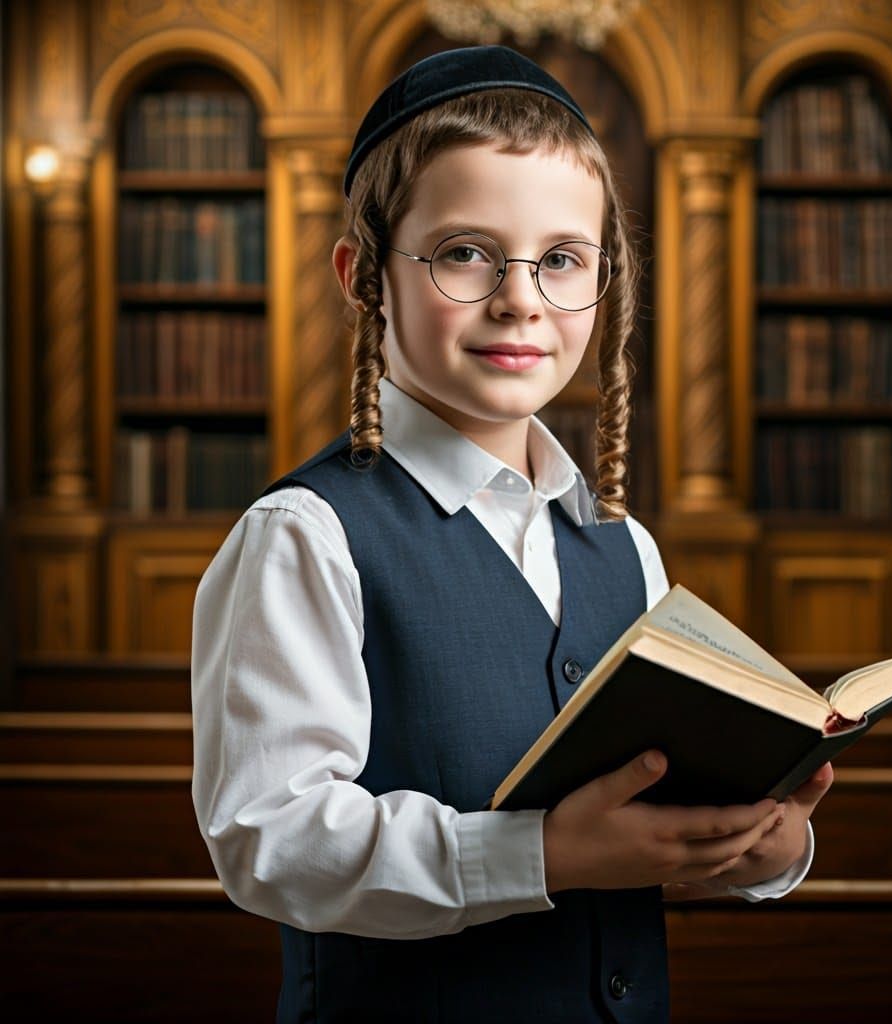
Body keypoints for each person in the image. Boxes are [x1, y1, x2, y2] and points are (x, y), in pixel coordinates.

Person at [191, 45, 833, 1023]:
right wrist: (541, 854)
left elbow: (656, 801)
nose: (520, 297)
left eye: (563, 260)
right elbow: (267, 841)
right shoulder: (306, 536)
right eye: (463, 252)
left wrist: (764, 849)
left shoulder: (625, 544)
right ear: (362, 276)